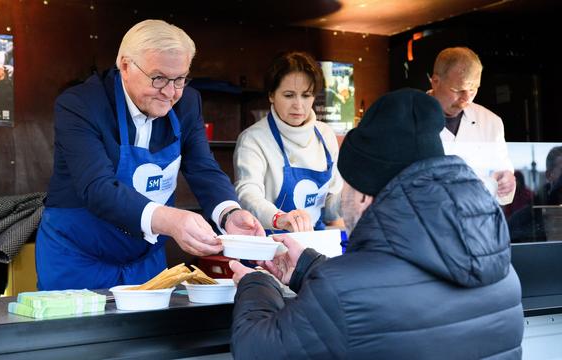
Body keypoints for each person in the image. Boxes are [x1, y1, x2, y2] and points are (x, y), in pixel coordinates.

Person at [228, 88, 524, 359]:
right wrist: (308, 267)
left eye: (347, 185)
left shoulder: (343, 290)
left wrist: (257, 284)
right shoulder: (503, 272)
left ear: (365, 196)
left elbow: (256, 350)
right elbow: (392, 290)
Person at [35, 19, 263, 291]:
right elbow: (97, 187)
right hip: (78, 259)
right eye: (158, 78)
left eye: (180, 79)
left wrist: (229, 213)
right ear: (126, 66)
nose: (170, 92)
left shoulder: (187, 102)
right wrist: (171, 220)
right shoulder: (81, 105)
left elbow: (202, 166)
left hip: (145, 261)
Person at [233, 51, 343, 233]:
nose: (299, 105)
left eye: (306, 95)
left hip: (314, 246)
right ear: (271, 95)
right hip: (269, 247)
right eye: (289, 95)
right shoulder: (253, 139)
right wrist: (279, 218)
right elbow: (247, 195)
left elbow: (330, 210)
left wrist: (350, 199)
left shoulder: (325, 135)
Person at [429, 46, 516, 205]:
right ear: (435, 81)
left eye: (473, 89)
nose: (466, 98)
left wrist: (507, 181)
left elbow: (504, 179)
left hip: (478, 223)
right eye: (458, 90)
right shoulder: (409, 117)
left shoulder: (491, 122)